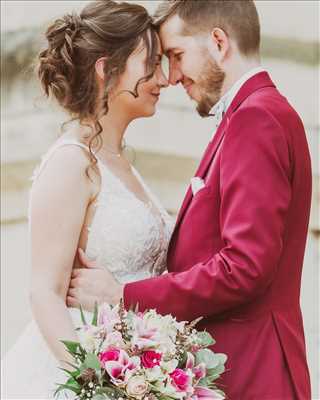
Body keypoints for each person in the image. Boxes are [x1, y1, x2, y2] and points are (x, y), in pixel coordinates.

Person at [69, 1, 313, 399]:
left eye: (176, 56)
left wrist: (125, 297)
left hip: (254, 370)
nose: (172, 76)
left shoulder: (256, 119)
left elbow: (245, 265)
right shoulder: (250, 115)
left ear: (218, 42)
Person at [1, 0, 170, 398]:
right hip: (86, 375)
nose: (163, 79)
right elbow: (44, 293)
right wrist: (97, 383)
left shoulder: (123, 165)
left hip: (135, 371)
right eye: (152, 62)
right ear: (105, 68)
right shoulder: (70, 163)